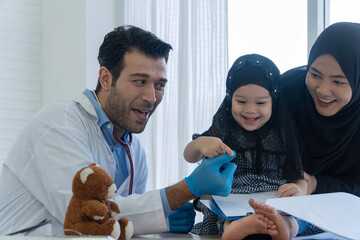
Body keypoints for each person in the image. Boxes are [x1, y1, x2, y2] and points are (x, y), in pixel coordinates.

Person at [0, 25, 237, 236]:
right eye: (139, 81)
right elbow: (87, 216)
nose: (151, 97)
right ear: (105, 78)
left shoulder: (134, 150)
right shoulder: (60, 123)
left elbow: (118, 218)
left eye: (160, 85)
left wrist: (162, 219)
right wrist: (185, 190)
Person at [233, 21, 360, 239]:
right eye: (315, 74)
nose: (323, 90)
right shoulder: (286, 91)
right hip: (269, 194)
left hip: (340, 212)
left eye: (338, 81)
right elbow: (236, 131)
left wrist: (314, 184)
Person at [183, 54, 307, 239]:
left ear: (274, 101)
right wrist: (200, 144)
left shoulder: (283, 131)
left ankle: (286, 227)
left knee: (300, 215)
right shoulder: (224, 127)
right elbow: (189, 155)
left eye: (261, 103)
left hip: (276, 198)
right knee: (224, 213)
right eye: (241, 101)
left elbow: (298, 174)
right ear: (229, 98)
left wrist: (300, 188)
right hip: (233, 196)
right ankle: (234, 226)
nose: (250, 110)